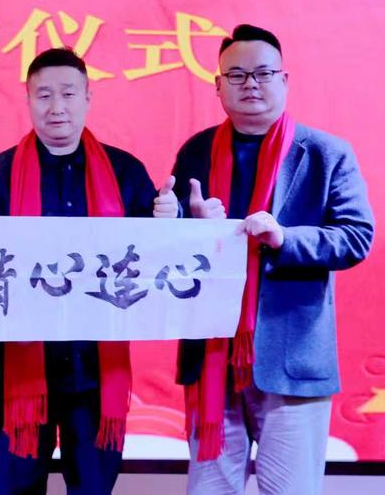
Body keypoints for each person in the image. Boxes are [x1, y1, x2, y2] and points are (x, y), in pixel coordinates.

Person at [153, 24, 373, 495]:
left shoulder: (326, 154)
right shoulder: (196, 151)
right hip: (212, 356)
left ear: (284, 80)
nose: (250, 84)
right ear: (218, 86)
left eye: (263, 73)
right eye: (236, 75)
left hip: (292, 358)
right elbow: (175, 255)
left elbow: (356, 237)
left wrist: (284, 238)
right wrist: (180, 225)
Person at [0, 47, 164, 495]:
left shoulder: (125, 173)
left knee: (93, 487)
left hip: (97, 366)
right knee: (19, 488)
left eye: (68, 94)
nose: (57, 107)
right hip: (22, 368)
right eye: (44, 95)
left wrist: (173, 221)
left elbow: (155, 260)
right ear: (27, 99)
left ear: (88, 97)